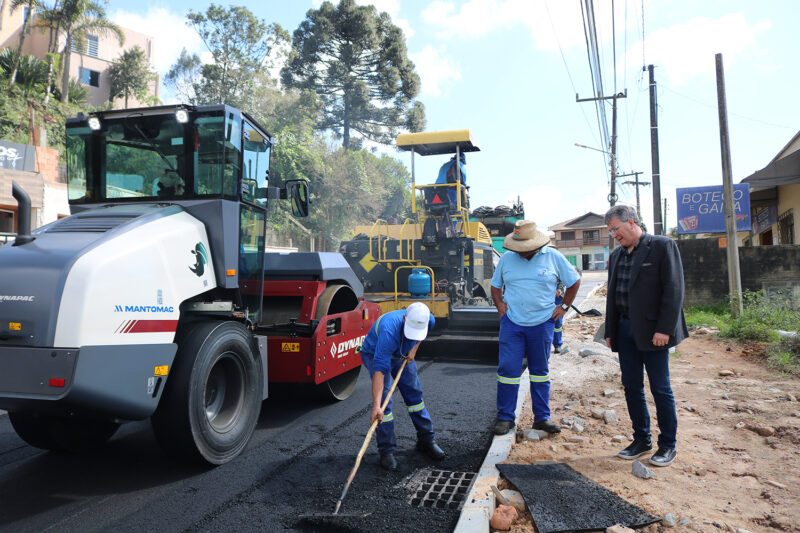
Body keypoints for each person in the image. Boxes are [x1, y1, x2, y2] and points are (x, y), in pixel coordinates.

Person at [604, 204, 688, 467]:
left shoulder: (662, 246)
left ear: (631, 222)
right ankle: (641, 439)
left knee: (660, 388)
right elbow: (613, 296)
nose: (614, 235)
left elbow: (673, 290)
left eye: (616, 229)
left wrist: (665, 328)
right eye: (610, 232)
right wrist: (610, 330)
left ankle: (667, 446)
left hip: (654, 333)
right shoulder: (617, 255)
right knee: (631, 386)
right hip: (625, 329)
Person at [490, 220, 581, 436]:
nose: (521, 253)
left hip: (541, 324)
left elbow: (574, 281)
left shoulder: (553, 257)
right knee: (508, 371)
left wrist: (564, 307)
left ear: (537, 246)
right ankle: (505, 417)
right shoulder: (507, 259)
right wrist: (500, 306)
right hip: (512, 324)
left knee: (539, 372)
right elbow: (495, 285)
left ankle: (541, 418)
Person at [359, 302, 446, 471]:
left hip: (402, 353)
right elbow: (380, 370)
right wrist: (376, 406)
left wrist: (413, 348)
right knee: (385, 402)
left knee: (414, 395)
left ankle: (426, 439)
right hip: (375, 353)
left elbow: (422, 335)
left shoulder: (429, 320)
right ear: (405, 318)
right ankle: (386, 450)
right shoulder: (389, 330)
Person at [552, 279, 566, 353]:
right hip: (543, 297)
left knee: (557, 321)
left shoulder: (558, 267)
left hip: (557, 297)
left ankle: (557, 344)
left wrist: (559, 289)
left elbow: (562, 278)